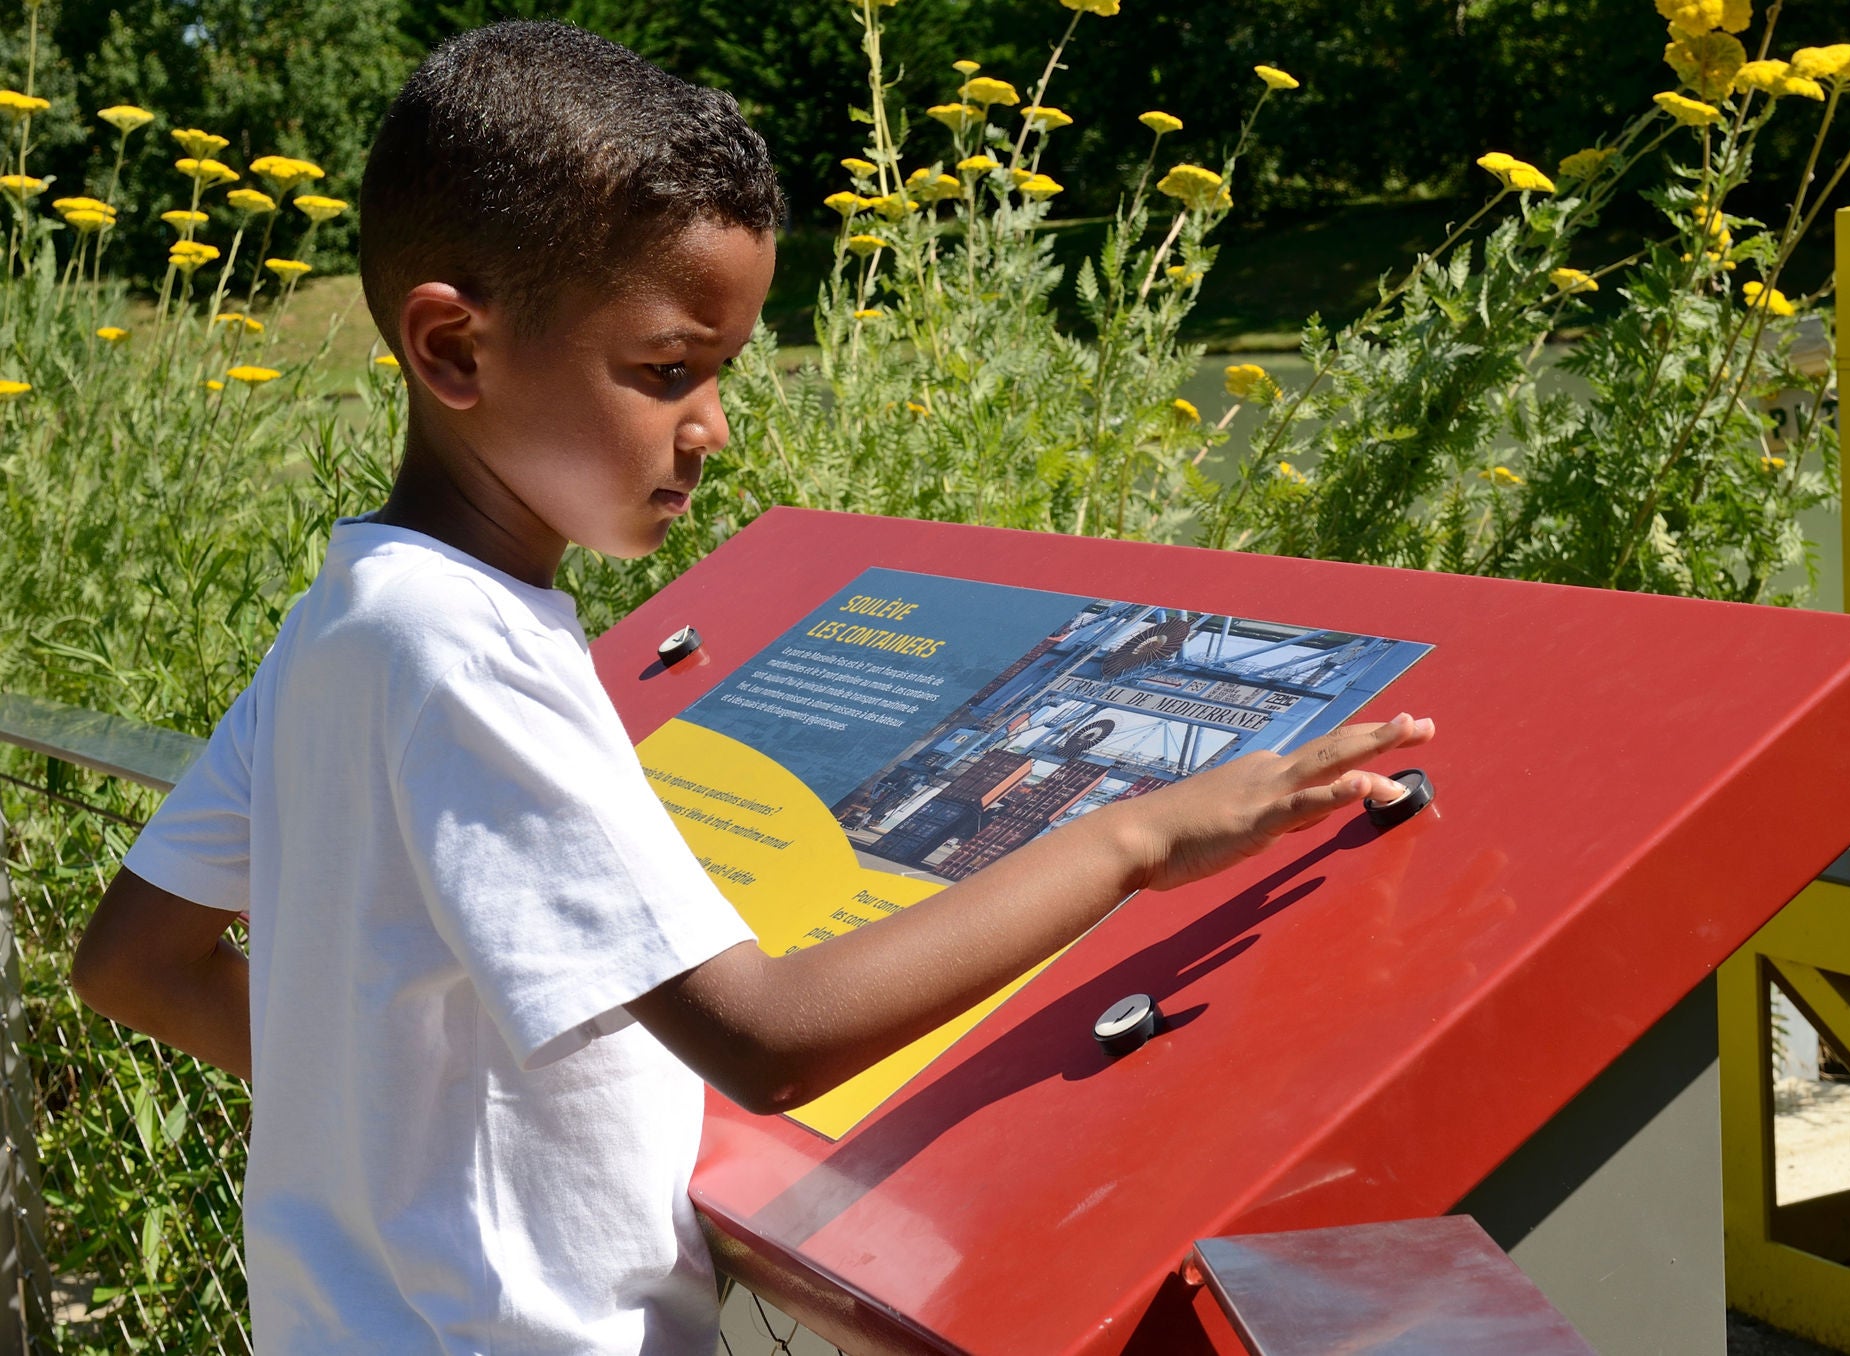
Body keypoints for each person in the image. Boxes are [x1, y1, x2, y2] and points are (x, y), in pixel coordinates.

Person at [68, 20, 1435, 1356]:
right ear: (456, 351)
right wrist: (1139, 835)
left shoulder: (349, 620)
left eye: (720, 372)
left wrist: (373, 1120)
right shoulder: (462, 650)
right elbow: (768, 1040)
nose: (713, 427)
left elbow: (133, 961)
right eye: (668, 371)